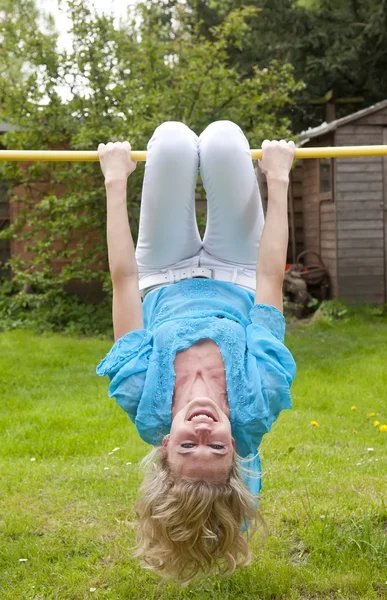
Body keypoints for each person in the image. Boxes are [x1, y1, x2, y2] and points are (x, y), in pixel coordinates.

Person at [96, 121, 296, 583]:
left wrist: (115, 180)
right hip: (242, 270)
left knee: (170, 141)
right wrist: (279, 179)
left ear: (166, 446)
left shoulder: (141, 395)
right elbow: (270, 281)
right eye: (218, 445)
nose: (203, 430)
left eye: (189, 445)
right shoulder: (260, 397)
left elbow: (124, 282)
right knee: (226, 139)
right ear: (236, 449)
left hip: (161, 272)